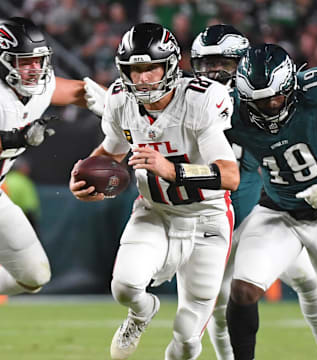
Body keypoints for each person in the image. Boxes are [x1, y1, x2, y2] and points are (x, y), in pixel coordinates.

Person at [69, 22, 240, 360]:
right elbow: (110, 152)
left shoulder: (201, 100)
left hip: (208, 218)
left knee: (188, 337)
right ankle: (142, 312)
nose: (143, 78)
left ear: (171, 66)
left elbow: (230, 175)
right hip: (155, 211)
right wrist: (83, 176)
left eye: (151, 68)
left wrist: (172, 170)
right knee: (125, 286)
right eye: (135, 69)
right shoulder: (120, 101)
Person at [190, 25, 317, 360]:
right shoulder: (232, 110)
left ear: (292, 88)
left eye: (276, 97)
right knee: (241, 291)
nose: (270, 106)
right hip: (278, 212)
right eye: (258, 101)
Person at [0, 16, 101, 345]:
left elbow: (79, 92)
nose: (33, 69)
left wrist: (115, 103)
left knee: (34, 275)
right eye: (24, 61)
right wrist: (14, 138)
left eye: (37, 60)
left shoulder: (37, 88)